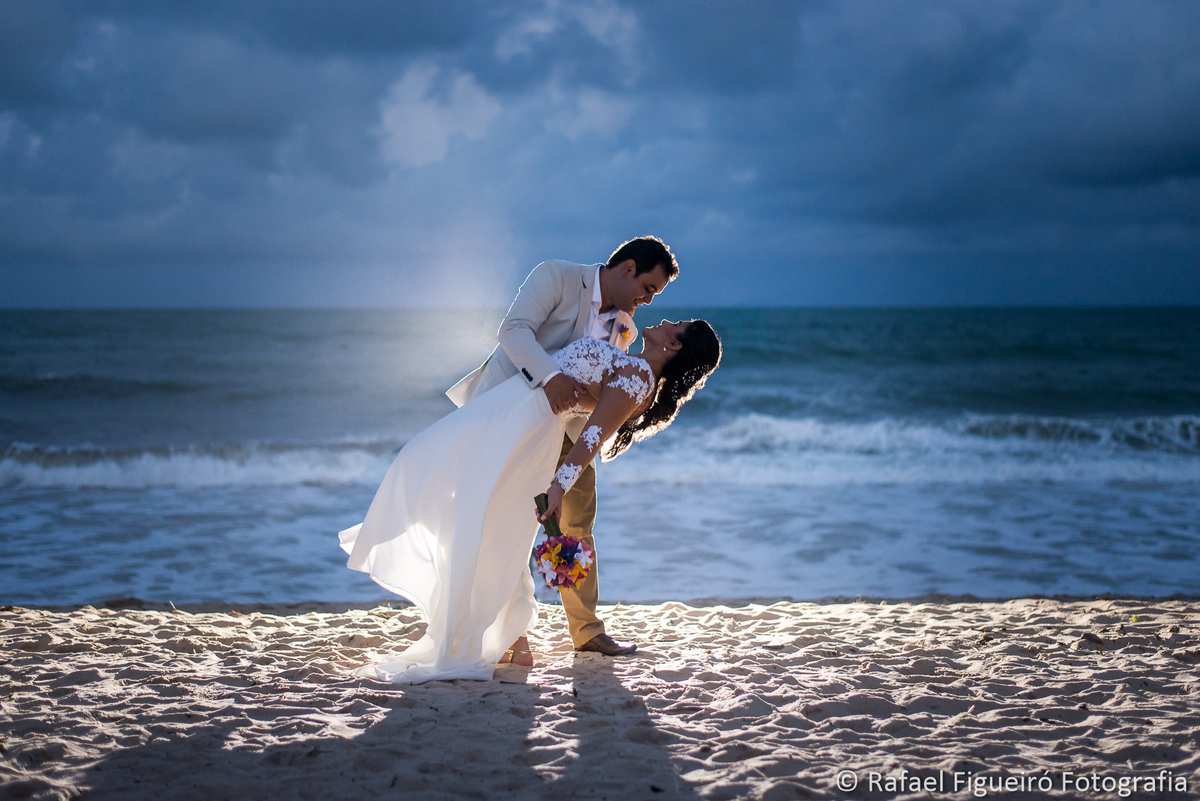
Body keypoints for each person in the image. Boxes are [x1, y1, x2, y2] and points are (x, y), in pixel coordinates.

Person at [339, 239, 721, 683]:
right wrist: (553, 378)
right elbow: (514, 331)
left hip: (567, 435)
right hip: (515, 408)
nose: (651, 301)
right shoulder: (558, 277)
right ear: (628, 268)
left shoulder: (628, 331)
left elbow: (606, 408)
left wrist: (565, 471)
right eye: (649, 288)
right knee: (489, 514)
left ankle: (583, 630)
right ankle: (507, 632)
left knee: (570, 528)